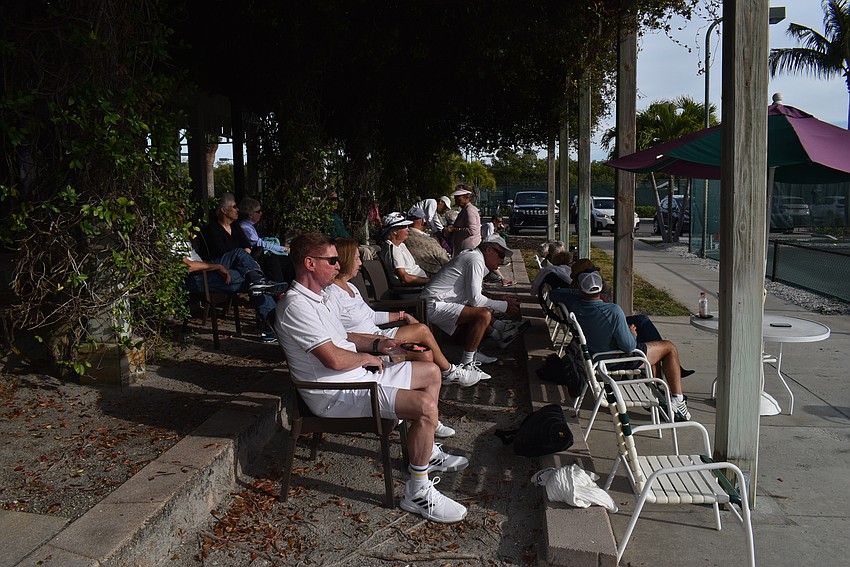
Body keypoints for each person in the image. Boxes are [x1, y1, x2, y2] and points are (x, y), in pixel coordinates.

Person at [273, 232, 469, 523]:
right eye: (332, 260)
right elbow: (334, 358)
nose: (339, 266)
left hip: (357, 378)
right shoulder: (296, 306)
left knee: (430, 371)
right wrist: (367, 357)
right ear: (310, 263)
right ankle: (417, 491)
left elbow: (343, 337)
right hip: (336, 394)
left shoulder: (320, 297)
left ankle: (424, 452)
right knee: (425, 406)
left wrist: (378, 345)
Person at [327, 238, 489, 394]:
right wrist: (375, 341)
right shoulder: (332, 294)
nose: (360, 263)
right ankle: (450, 372)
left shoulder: (351, 287)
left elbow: (372, 316)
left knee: (426, 354)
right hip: (370, 341)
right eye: (356, 258)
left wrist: (402, 315)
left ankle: (422, 400)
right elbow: (339, 334)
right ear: (346, 260)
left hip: (377, 333)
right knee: (421, 330)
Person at [550, 271, 692, 421]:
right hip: (614, 359)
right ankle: (678, 400)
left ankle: (659, 396)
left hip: (594, 356)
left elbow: (555, 293)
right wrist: (632, 334)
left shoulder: (573, 303)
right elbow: (629, 347)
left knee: (653, 347)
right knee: (669, 348)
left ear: (580, 289)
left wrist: (578, 292)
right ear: (601, 289)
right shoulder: (613, 311)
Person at [420, 235, 529, 365]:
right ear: (489, 250)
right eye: (500, 255)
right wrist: (504, 306)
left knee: (483, 306)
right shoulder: (475, 260)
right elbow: (476, 300)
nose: (501, 260)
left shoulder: (474, 256)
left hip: (437, 302)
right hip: (433, 305)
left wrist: (497, 297)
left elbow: (474, 292)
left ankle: (501, 332)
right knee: (483, 314)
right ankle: (467, 363)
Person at [174, 232, 283, 343]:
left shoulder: (178, 231)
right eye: (181, 212)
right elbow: (187, 266)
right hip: (195, 278)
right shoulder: (168, 235)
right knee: (250, 281)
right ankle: (274, 325)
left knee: (238, 253)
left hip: (204, 268)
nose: (183, 213)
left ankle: (258, 281)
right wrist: (217, 266)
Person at [237, 196, 296, 285]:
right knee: (273, 261)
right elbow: (260, 244)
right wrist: (283, 249)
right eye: (258, 211)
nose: (261, 213)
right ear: (251, 214)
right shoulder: (245, 228)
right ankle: (278, 287)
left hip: (257, 254)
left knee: (287, 262)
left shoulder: (249, 227)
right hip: (254, 256)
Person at [380, 212, 430, 286]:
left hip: (422, 286)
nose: (408, 229)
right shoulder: (393, 249)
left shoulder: (401, 245)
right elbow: (405, 278)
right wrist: (430, 281)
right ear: (394, 231)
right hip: (414, 291)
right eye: (404, 227)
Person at [199, 192, 251, 261]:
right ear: (224, 210)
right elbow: (222, 253)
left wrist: (243, 257)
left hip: (241, 263)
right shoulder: (212, 230)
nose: (237, 210)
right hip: (223, 266)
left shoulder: (235, 226)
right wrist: (242, 255)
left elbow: (247, 246)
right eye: (234, 207)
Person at [404, 206, 450, 277]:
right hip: (436, 276)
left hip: (416, 275)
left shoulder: (402, 239)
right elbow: (445, 260)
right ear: (422, 221)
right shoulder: (430, 241)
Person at [444, 185, 481, 254]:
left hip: (468, 250)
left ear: (466, 197)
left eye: (458, 197)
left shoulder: (469, 210)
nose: (456, 199)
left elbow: (472, 231)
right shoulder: (465, 210)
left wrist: (454, 229)